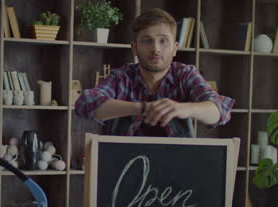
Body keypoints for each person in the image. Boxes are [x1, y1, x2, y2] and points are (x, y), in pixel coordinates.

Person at [74, 8, 235, 137]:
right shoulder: (122, 77)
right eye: (146, 41)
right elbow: (84, 104)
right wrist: (143, 108)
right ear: (135, 48)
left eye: (163, 41)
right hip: (124, 168)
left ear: (174, 48)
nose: (156, 49)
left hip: (177, 168)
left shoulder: (186, 75)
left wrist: (184, 109)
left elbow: (221, 111)